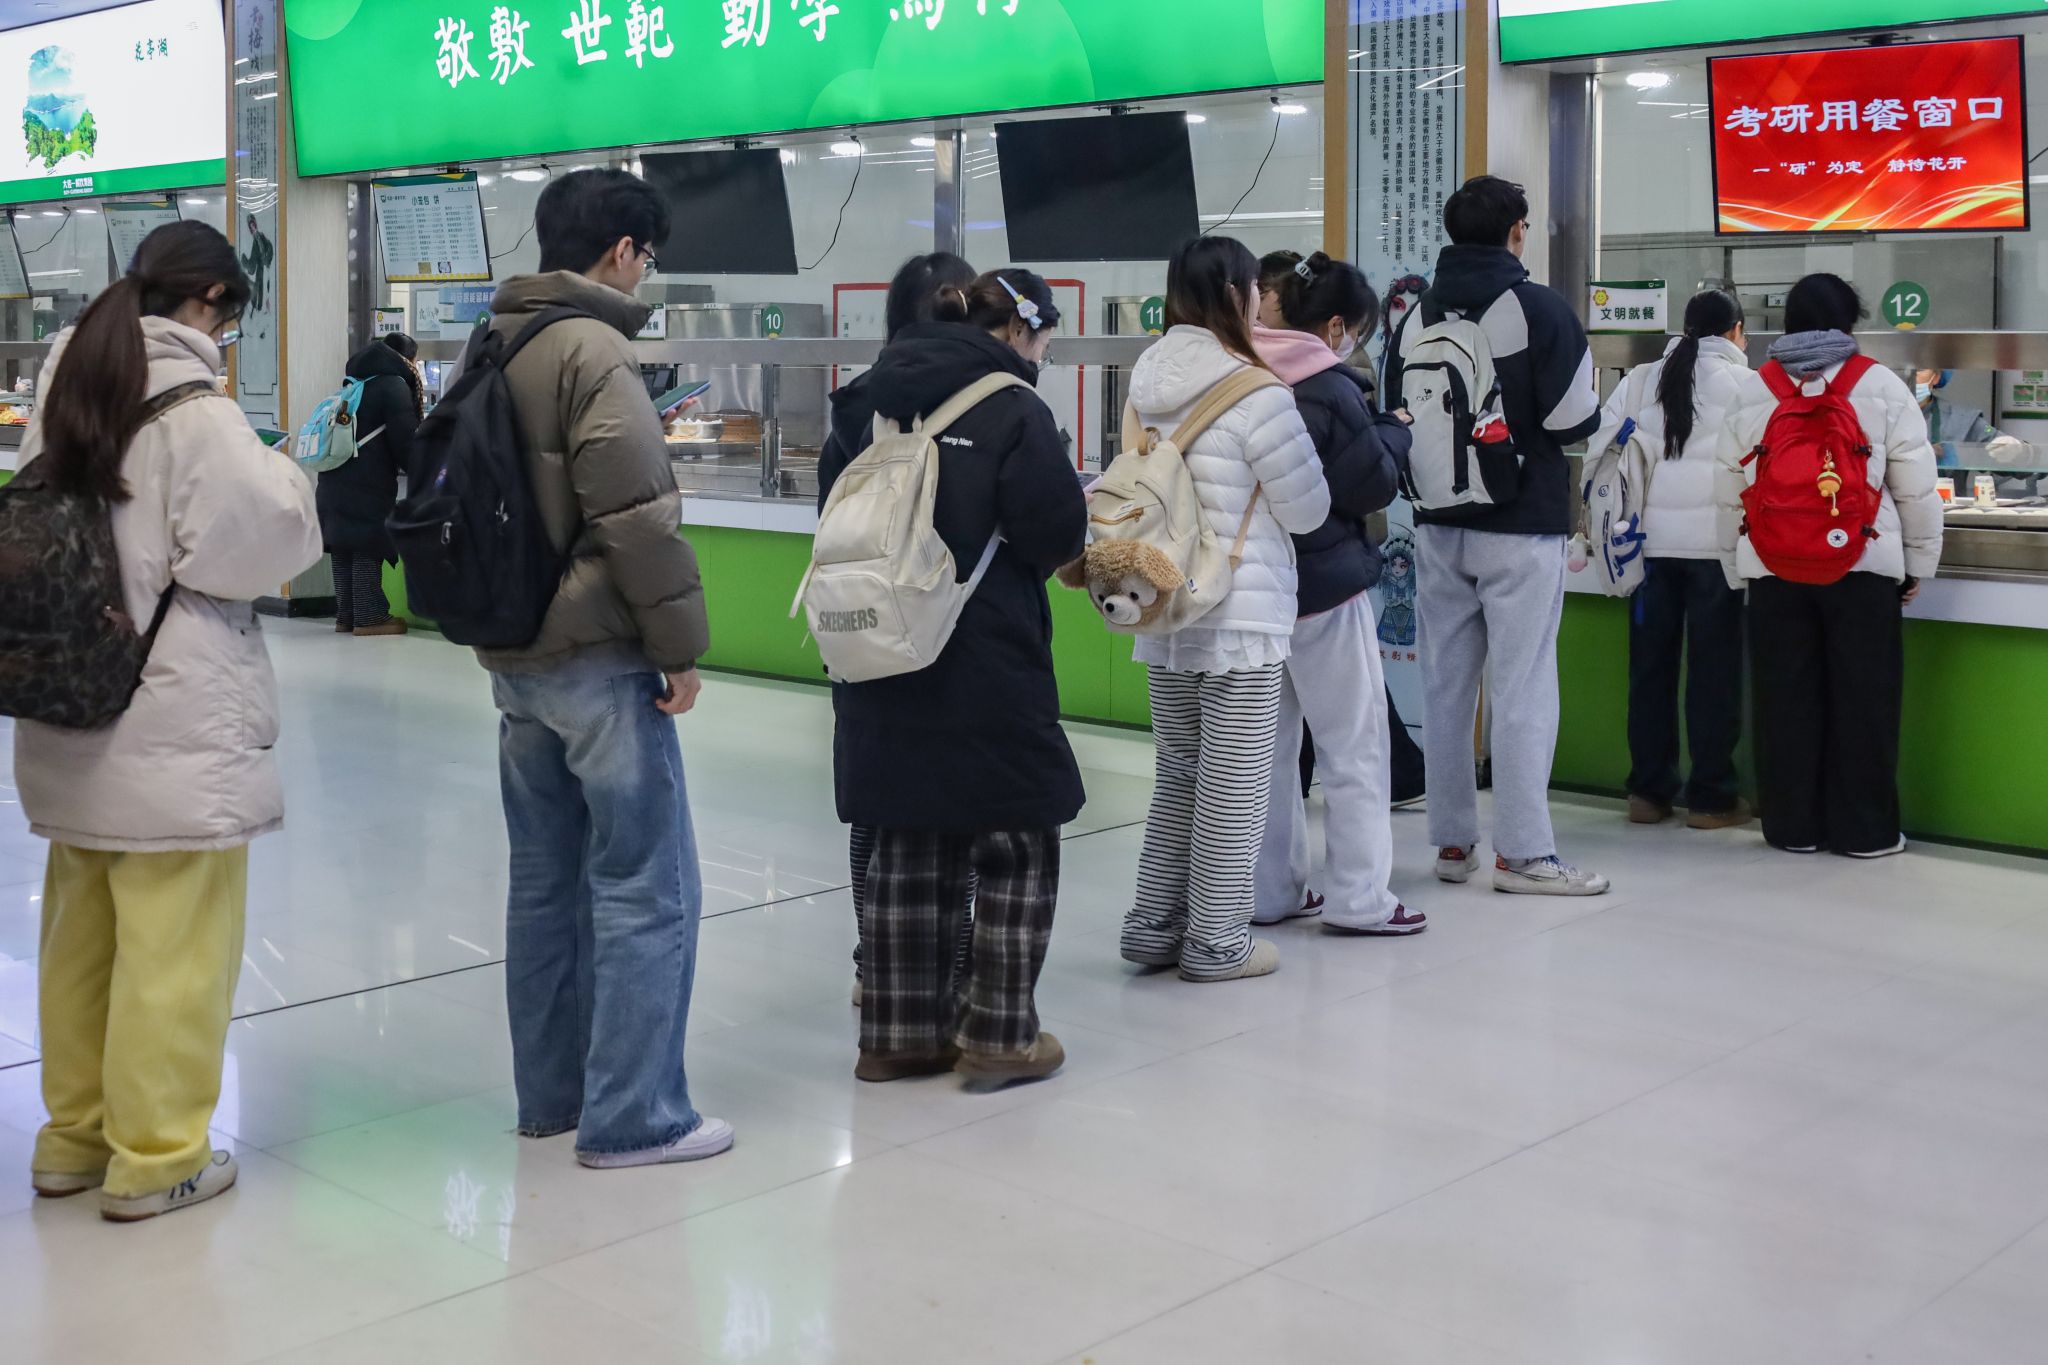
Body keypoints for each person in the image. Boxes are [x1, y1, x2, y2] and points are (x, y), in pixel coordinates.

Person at [14, 221, 321, 1220]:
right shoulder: (196, 410)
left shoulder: (66, 393)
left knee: (81, 941)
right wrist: (295, 475)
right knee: (174, 949)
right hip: (171, 715)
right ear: (211, 302)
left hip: (69, 703)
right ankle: (158, 1157)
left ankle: (72, 1140)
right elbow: (262, 541)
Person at [477, 169, 729, 1166]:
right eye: (647, 255)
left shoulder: (497, 339)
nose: (646, 272)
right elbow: (636, 518)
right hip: (597, 659)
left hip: (516, 657)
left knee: (544, 885)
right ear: (622, 251)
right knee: (646, 885)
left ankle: (553, 1099)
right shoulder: (593, 348)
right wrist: (678, 649)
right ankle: (635, 1117)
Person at [822, 268, 1087, 1085]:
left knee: (908, 834)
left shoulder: (862, 401)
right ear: (1018, 331)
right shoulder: (1012, 408)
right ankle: (1000, 1037)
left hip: (877, 654)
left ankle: (899, 1036)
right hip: (985, 655)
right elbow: (1055, 531)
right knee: (1016, 837)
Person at [1385, 175, 1609, 895]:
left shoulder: (1414, 315)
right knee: (1522, 688)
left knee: (1445, 687)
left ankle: (1453, 844)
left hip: (1435, 523)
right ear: (1517, 231)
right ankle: (1525, 853)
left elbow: (1395, 414)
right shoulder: (1540, 309)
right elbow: (1575, 423)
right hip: (1520, 526)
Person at [1119, 236, 1330, 981]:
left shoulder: (1143, 383)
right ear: (1240, 295)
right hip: (1240, 612)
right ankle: (1215, 941)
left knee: (1179, 773)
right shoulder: (1258, 393)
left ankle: (1153, 926)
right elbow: (1307, 509)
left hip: (1163, 605)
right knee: (1234, 782)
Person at [1721, 273, 1942, 857]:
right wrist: (1917, 564)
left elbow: (1730, 489)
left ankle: (1792, 827)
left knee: (1784, 699)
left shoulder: (1756, 388)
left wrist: (1737, 566)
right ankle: (1865, 832)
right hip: (1861, 565)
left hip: (1774, 567)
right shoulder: (1881, 384)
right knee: (1864, 700)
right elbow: (1917, 488)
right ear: (1849, 322)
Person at [819, 251, 980, 1010]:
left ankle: (871, 962)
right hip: (944, 628)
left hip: (860, 629)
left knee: (873, 802)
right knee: (954, 807)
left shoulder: (855, 408)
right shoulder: (977, 405)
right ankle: (952, 964)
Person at [1251, 252, 1427, 935]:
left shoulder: (1243, 371)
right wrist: (1393, 432)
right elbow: (1367, 484)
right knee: (1354, 745)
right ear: (1334, 326)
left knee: (1271, 752)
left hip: (1259, 591)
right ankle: (1360, 897)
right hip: (1324, 587)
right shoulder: (1328, 385)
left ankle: (1271, 891)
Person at [1590, 288, 1753, 829]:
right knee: (1713, 676)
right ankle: (1711, 798)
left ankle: (1648, 792)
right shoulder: (1747, 386)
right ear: (1736, 331)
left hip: (1648, 554)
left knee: (1650, 673)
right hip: (1716, 555)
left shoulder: (1642, 380)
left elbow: (1602, 447)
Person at [319, 332, 423, 637]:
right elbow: (405, 441)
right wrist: (426, 471)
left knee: (344, 544)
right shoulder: (393, 385)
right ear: (407, 360)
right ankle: (370, 616)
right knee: (367, 541)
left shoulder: (354, 384)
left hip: (334, 474)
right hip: (367, 481)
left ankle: (346, 615)